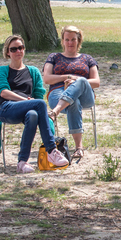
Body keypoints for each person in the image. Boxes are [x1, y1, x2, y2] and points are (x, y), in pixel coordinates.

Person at [0, 34, 68, 174]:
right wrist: (25, 100)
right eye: (13, 49)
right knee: (38, 104)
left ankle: (22, 162)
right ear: (7, 52)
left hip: (28, 109)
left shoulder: (32, 71)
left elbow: (39, 94)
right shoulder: (2, 70)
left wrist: (31, 103)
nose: (18, 51)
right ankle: (51, 150)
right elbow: (3, 92)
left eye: (21, 48)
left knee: (33, 114)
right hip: (7, 108)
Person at [44, 25, 99, 161]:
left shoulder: (87, 58)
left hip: (85, 94)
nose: (70, 43)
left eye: (73, 39)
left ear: (78, 41)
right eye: (67, 39)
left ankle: (55, 112)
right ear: (62, 41)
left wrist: (75, 82)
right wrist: (67, 77)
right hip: (58, 91)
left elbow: (96, 82)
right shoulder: (54, 57)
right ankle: (79, 147)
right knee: (73, 101)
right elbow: (47, 78)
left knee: (80, 81)